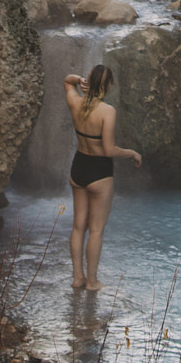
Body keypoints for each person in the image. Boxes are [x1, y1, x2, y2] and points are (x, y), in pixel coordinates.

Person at [63, 63, 141, 290]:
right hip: (99, 171)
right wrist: (132, 153)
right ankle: (92, 281)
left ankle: (78, 277)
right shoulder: (108, 112)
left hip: (78, 167)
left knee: (78, 227)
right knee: (96, 229)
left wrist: (78, 80)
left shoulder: (75, 102)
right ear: (107, 86)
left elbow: (67, 81)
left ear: (88, 82)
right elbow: (109, 150)